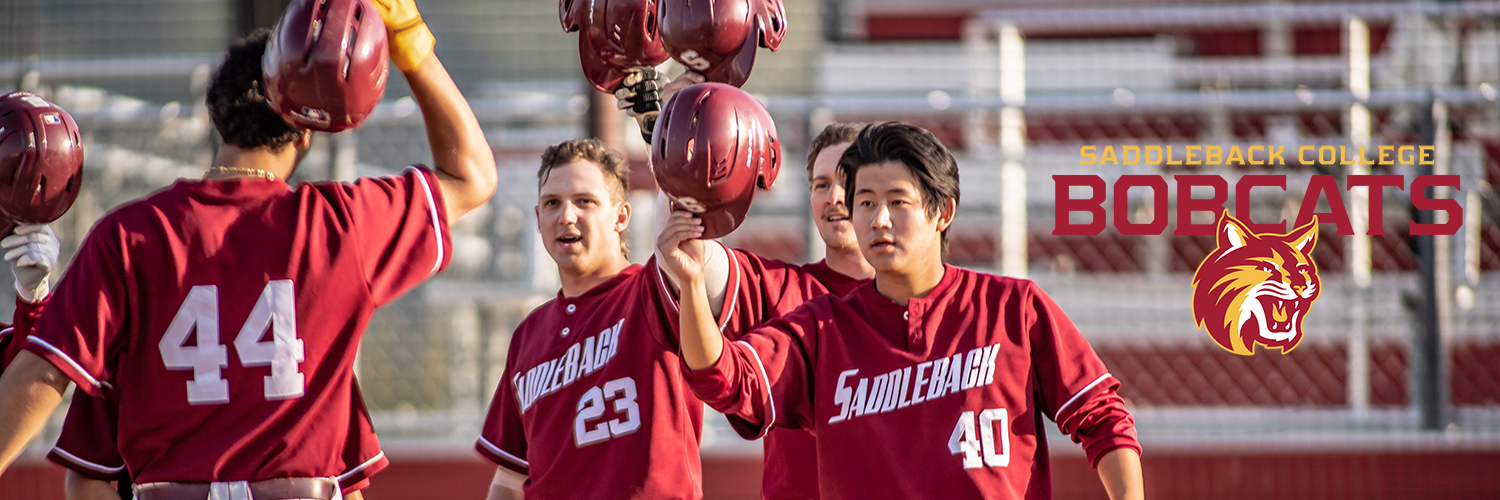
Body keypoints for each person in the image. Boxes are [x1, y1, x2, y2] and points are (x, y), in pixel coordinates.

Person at [0, 2, 496, 498]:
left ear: (217, 117)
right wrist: (409, 39)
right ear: (305, 129)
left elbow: (41, 374)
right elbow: (471, 176)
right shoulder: (340, 223)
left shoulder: (129, 235)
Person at [659, 122, 1145, 499]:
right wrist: (693, 285)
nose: (879, 219)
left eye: (898, 201)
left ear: (943, 211)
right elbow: (723, 378)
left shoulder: (1014, 308)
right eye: (865, 202)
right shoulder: (823, 329)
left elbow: (1102, 418)